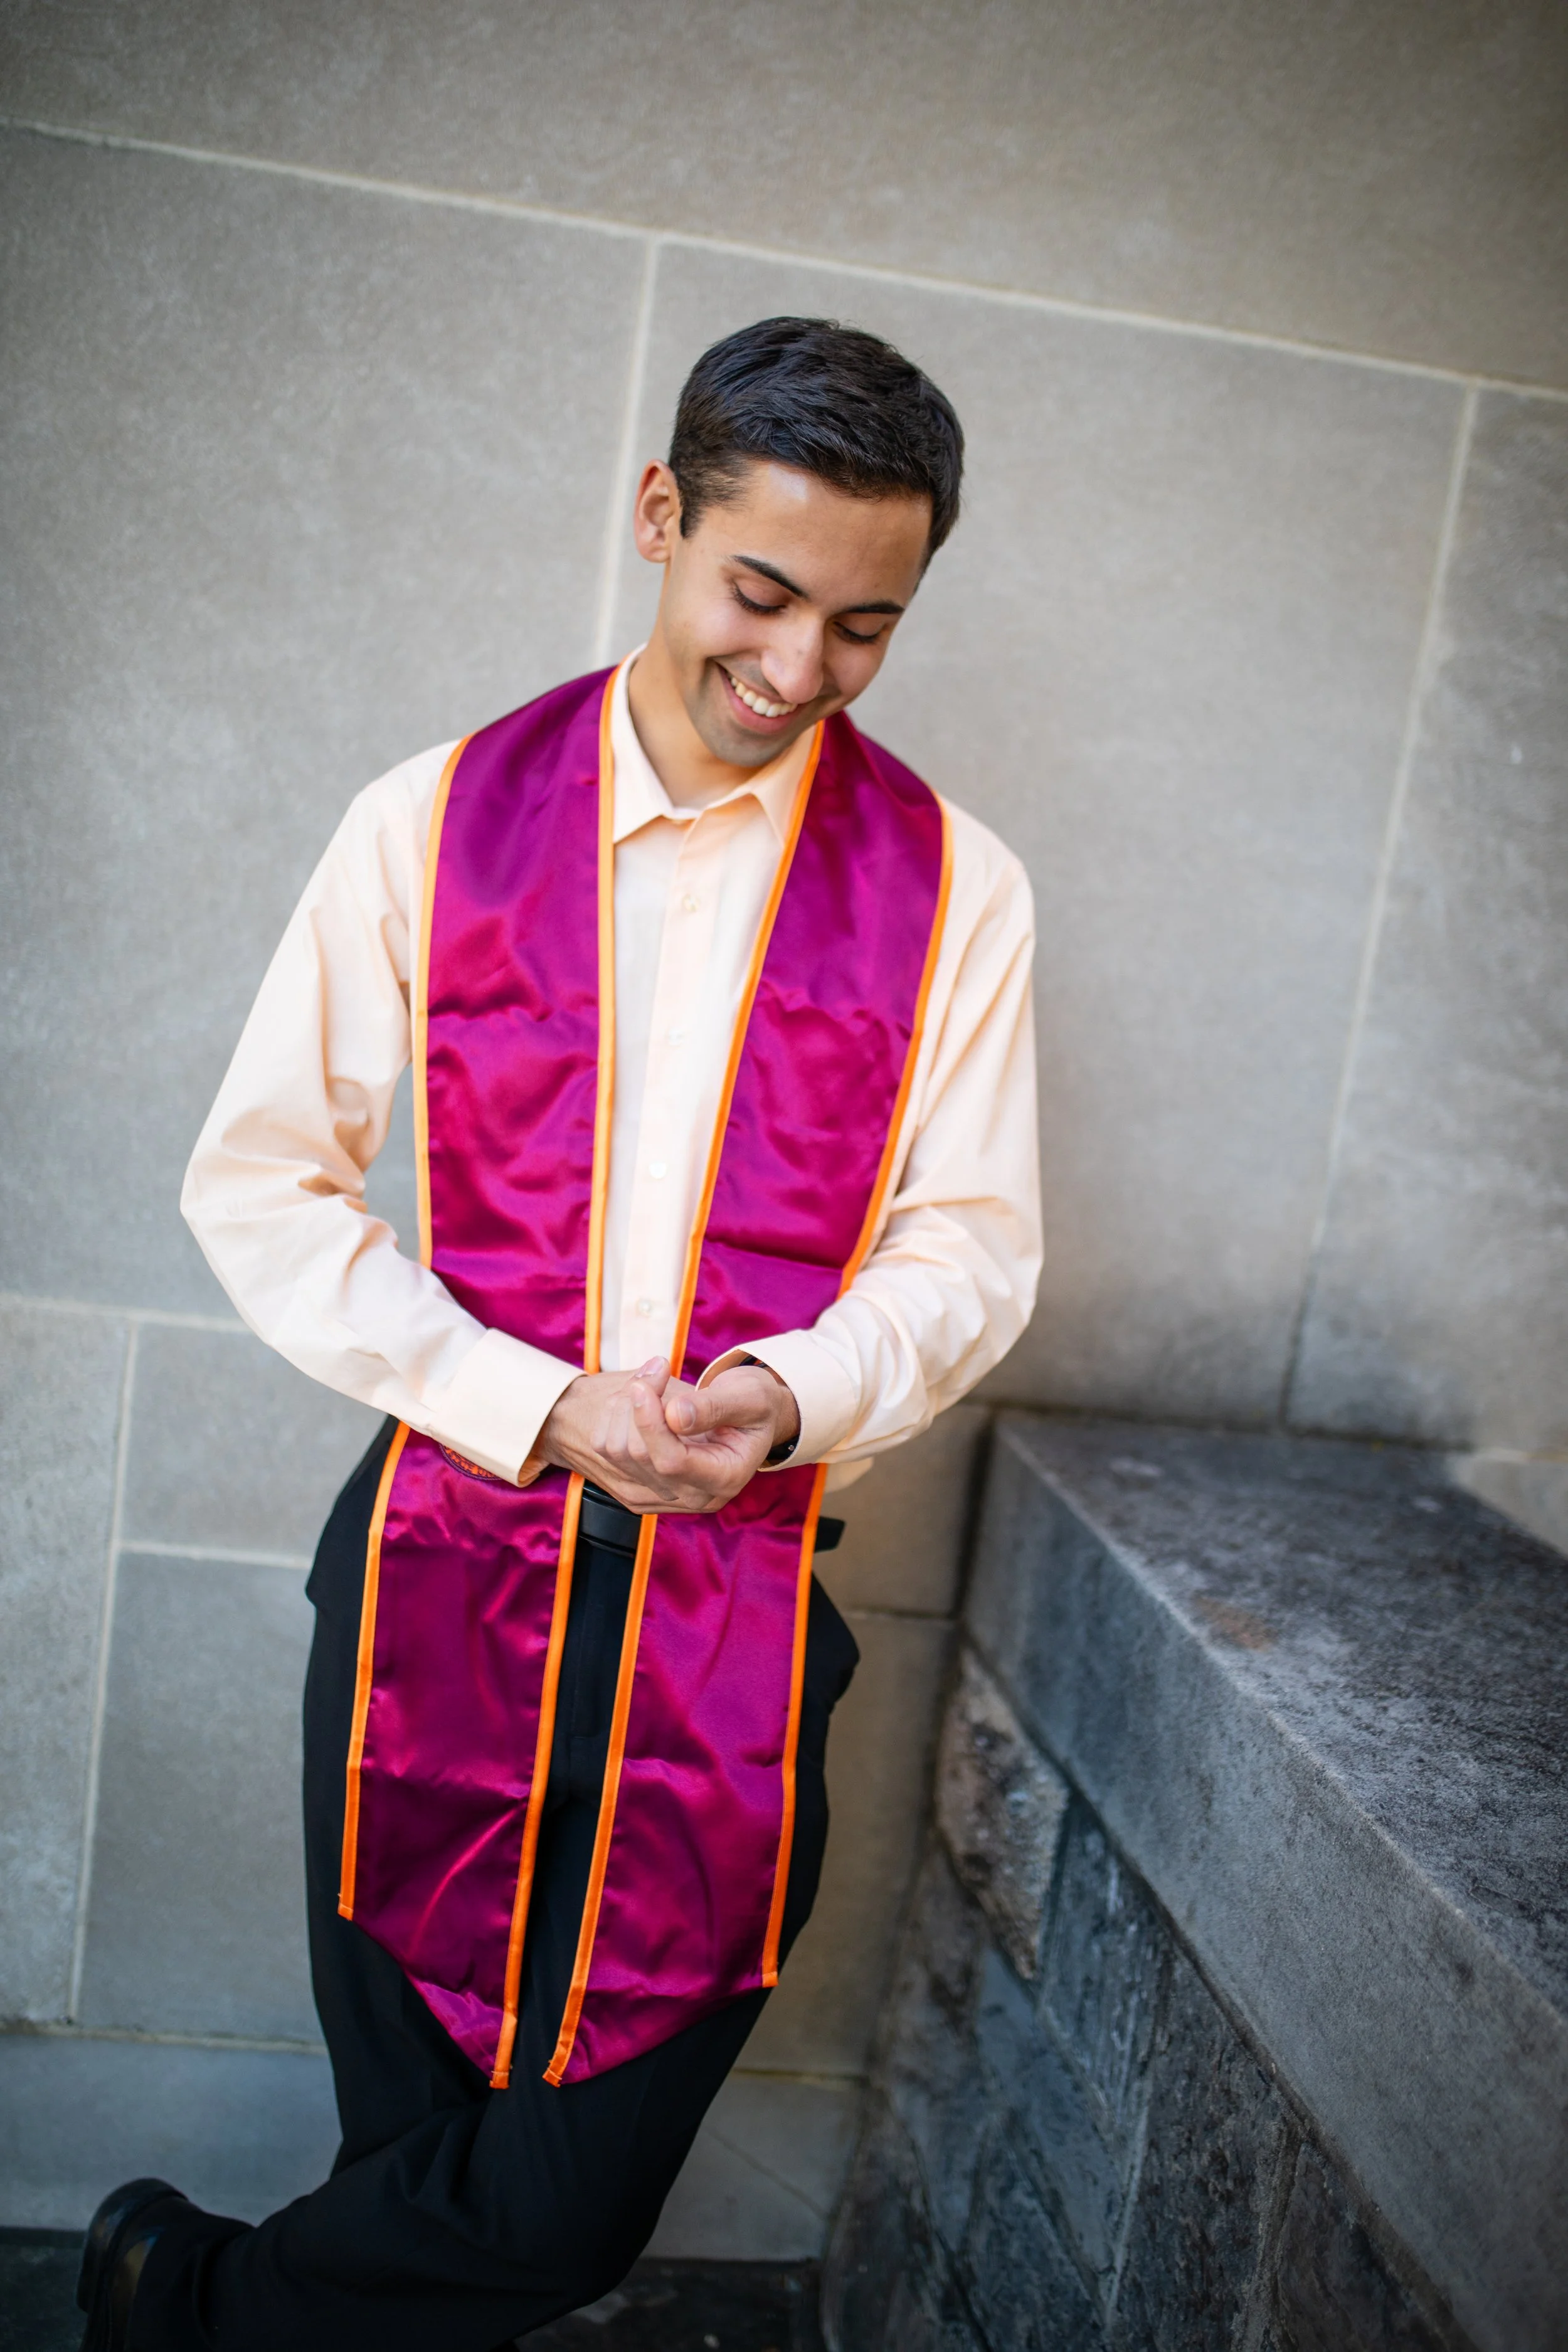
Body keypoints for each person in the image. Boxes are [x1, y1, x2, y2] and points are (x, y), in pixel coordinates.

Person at [77, 315, 1041, 2352]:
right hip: (443, 1565)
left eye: (864, 627)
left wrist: (792, 1391)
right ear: (656, 516)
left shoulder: (960, 893)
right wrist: (526, 1399)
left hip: (743, 1599)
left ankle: (172, 2292)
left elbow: (969, 1243)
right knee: (409, 2163)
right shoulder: (429, 822)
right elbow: (260, 1182)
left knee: (558, 2212)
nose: (795, 672)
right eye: (759, 593)